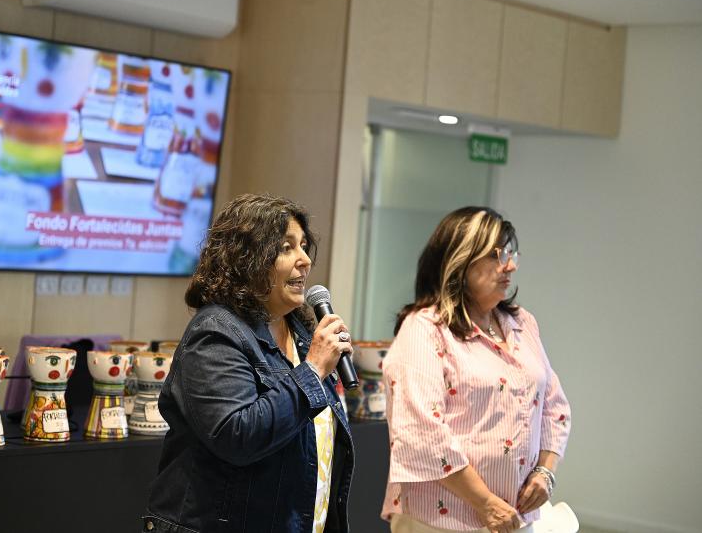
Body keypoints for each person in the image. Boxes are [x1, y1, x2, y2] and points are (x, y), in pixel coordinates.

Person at [143, 193, 354, 533]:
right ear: (247, 259)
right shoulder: (215, 332)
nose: (304, 260)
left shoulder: (301, 331)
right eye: (286, 247)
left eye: (303, 245)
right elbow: (238, 436)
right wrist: (313, 370)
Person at [381, 207, 571, 533]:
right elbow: (421, 433)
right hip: (443, 520)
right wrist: (485, 503)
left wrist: (545, 472)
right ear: (460, 261)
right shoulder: (424, 329)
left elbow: (554, 408)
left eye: (511, 253)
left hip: (514, 516)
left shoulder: (521, 324)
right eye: (497, 254)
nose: (510, 265)